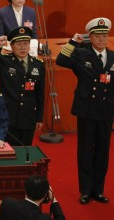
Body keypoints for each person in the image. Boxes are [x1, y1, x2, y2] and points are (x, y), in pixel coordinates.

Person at [56, 17, 113, 205]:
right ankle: (86, 190)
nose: (102, 39)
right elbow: (61, 60)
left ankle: (99, 190)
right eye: (98, 35)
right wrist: (73, 42)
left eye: (105, 35)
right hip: (87, 110)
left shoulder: (113, 57)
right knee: (85, 151)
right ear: (91, 37)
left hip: (106, 111)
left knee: (103, 152)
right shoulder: (82, 54)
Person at [0, 27, 45, 146]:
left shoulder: (38, 65)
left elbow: (40, 93)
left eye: (25, 44)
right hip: (8, 117)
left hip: (28, 116)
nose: (23, 47)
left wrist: (39, 118)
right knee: (7, 152)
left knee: (25, 151)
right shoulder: (4, 62)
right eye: (18, 44)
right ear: (11, 46)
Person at [0, 175, 66, 220]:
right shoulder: (43, 218)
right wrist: (54, 200)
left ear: (26, 190)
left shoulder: (7, 204)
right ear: (45, 195)